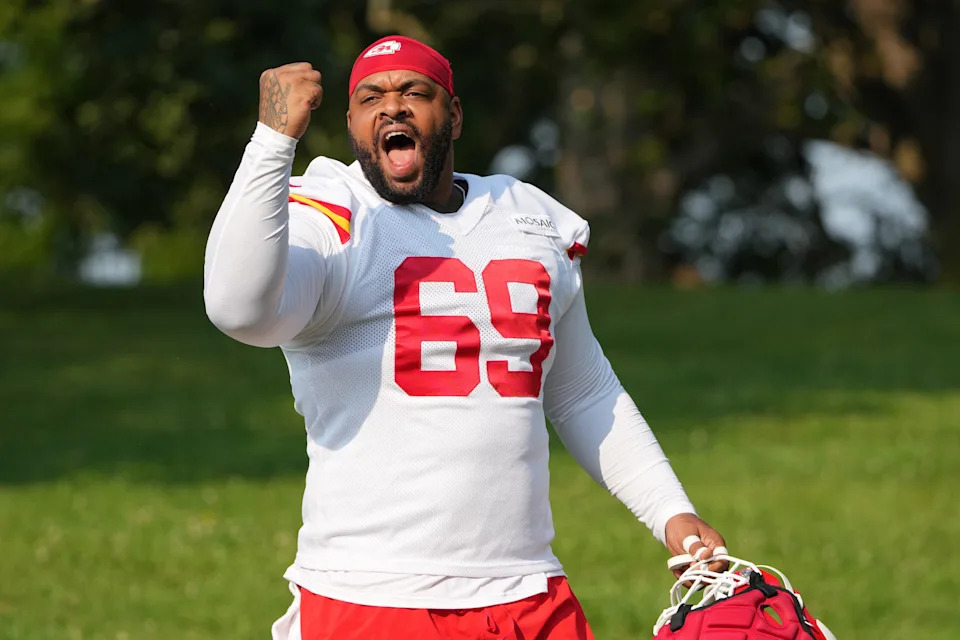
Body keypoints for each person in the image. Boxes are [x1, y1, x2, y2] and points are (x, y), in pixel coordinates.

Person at [204, 35, 727, 640]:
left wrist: (672, 513)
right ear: (350, 123)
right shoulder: (331, 213)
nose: (392, 107)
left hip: (529, 592)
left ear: (452, 114)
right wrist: (273, 141)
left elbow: (583, 392)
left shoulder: (525, 216)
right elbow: (237, 308)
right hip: (371, 594)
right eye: (371, 96)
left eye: (413, 93)